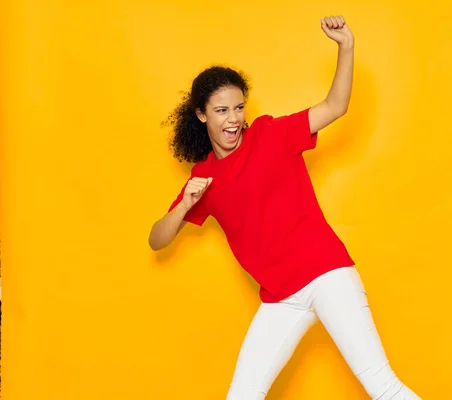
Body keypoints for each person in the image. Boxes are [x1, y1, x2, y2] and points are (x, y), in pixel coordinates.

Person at [149, 15, 422, 400]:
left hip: (327, 276)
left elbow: (335, 106)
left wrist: (346, 46)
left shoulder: (270, 135)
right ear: (201, 114)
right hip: (281, 298)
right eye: (222, 110)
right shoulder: (204, 178)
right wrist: (184, 206)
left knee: (383, 387)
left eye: (239, 108)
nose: (234, 119)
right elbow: (157, 239)